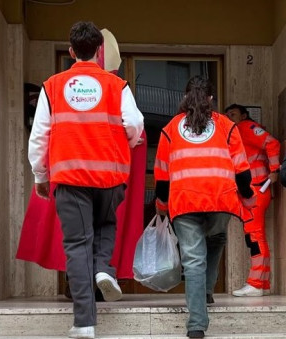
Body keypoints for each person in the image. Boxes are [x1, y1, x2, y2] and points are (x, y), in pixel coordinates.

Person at [28, 21, 144, 339]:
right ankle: (104, 269)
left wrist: (41, 175)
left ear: (71, 52)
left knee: (77, 245)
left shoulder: (52, 86)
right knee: (106, 224)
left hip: (70, 175)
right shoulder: (116, 85)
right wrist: (129, 143)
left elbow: (39, 136)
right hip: (110, 175)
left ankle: (84, 323)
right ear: (97, 51)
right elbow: (135, 122)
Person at [154, 76, 255, 339]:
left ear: (186, 96)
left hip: (184, 200)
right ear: (211, 99)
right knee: (217, 236)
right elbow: (242, 169)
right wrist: (248, 195)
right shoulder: (226, 126)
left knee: (193, 259)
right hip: (221, 199)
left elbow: (162, 174)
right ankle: (207, 290)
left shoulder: (171, 128)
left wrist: (161, 205)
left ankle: (197, 325)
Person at [225, 103, 281, 297]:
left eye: (233, 114)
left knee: (255, 237)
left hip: (256, 191)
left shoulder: (244, 128)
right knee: (255, 237)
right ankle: (261, 284)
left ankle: (256, 284)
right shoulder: (242, 129)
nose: (230, 117)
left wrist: (274, 171)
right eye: (227, 115)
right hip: (255, 190)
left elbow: (272, 143)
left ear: (244, 115)